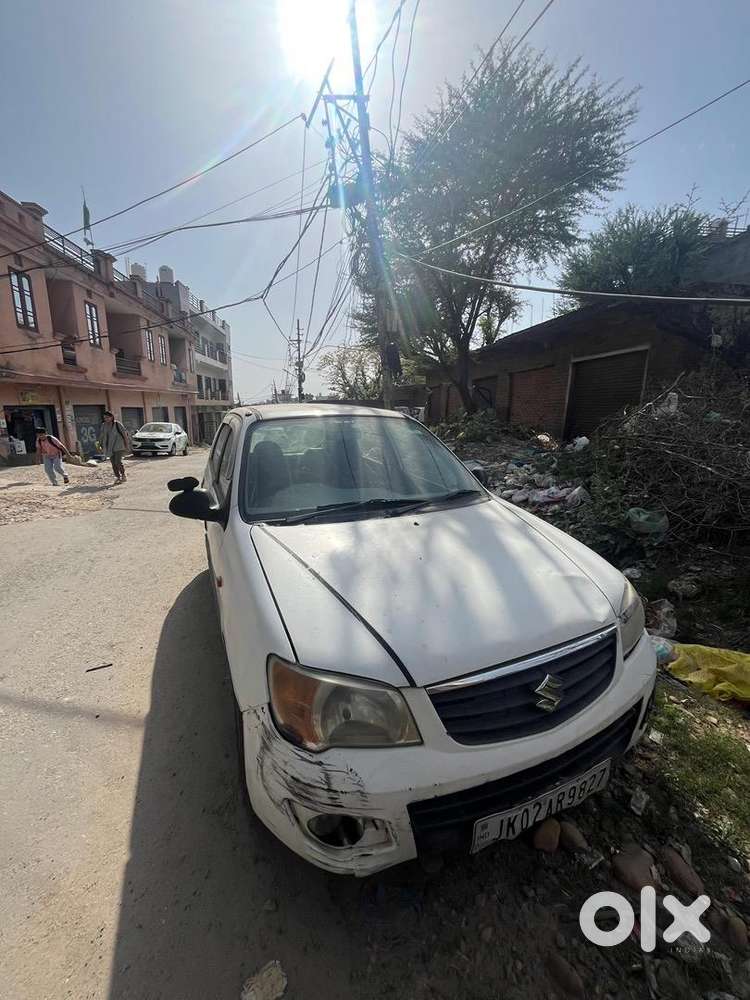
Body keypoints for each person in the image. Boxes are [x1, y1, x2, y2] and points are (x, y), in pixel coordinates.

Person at [99, 410, 130, 483]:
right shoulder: (104, 425)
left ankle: (123, 475)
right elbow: (102, 436)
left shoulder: (117, 424)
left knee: (118, 462)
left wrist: (127, 445)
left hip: (119, 446)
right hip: (109, 447)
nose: (106, 419)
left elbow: (125, 435)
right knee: (113, 463)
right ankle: (118, 477)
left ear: (111, 417)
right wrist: (100, 445)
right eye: (104, 418)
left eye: (107, 417)